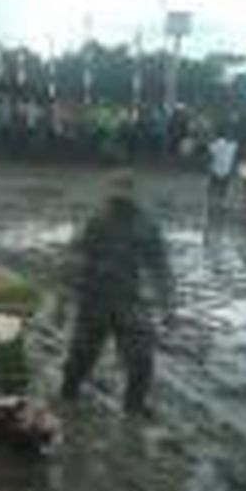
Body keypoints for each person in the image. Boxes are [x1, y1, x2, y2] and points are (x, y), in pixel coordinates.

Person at [59, 170, 174, 418]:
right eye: (117, 194)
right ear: (109, 193)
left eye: (126, 194)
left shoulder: (146, 224)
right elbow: (72, 258)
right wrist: (62, 299)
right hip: (94, 299)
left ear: (135, 195)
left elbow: (160, 266)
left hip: (130, 301)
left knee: (142, 359)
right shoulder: (94, 220)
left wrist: (168, 303)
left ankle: (133, 408)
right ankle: (67, 396)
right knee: (81, 356)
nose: (121, 200)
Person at [206, 129, 239, 212]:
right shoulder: (232, 146)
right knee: (222, 190)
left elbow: (209, 151)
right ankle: (220, 204)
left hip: (215, 170)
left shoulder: (215, 145)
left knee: (213, 189)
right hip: (225, 171)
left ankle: (211, 204)